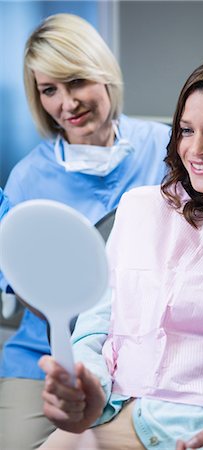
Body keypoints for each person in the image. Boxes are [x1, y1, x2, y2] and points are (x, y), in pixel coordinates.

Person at [37, 49, 203, 450]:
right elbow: (93, 329)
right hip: (105, 421)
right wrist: (84, 383)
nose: (196, 150)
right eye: (186, 130)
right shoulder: (141, 208)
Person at [0, 13, 171, 450]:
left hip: (148, 348)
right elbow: (25, 288)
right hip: (47, 354)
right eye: (49, 90)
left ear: (104, 75)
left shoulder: (167, 151)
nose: (66, 104)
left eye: (76, 82)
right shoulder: (26, 180)